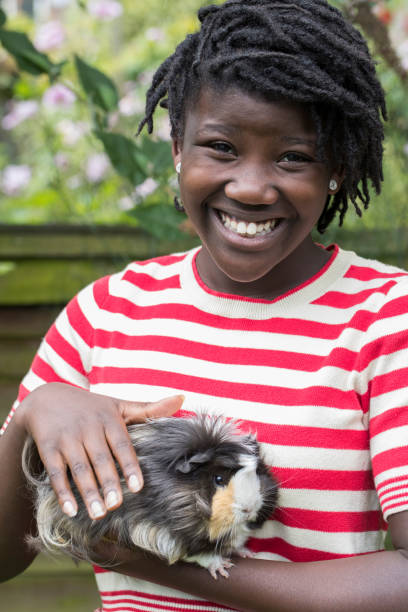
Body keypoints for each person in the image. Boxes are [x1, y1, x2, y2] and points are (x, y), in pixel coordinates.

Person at [1, 0, 408, 610]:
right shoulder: (106, 312)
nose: (249, 187)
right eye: (220, 147)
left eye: (293, 157)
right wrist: (34, 415)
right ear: (177, 151)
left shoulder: (387, 318)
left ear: (340, 169)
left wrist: (156, 563)